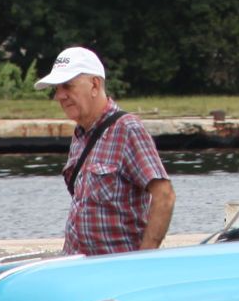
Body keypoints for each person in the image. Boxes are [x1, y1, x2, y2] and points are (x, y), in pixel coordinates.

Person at [37, 45, 175, 256]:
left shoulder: (127, 129)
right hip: (79, 263)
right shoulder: (80, 133)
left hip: (116, 265)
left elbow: (164, 195)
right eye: (56, 88)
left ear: (94, 84)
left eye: (67, 86)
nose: (59, 96)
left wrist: (144, 259)